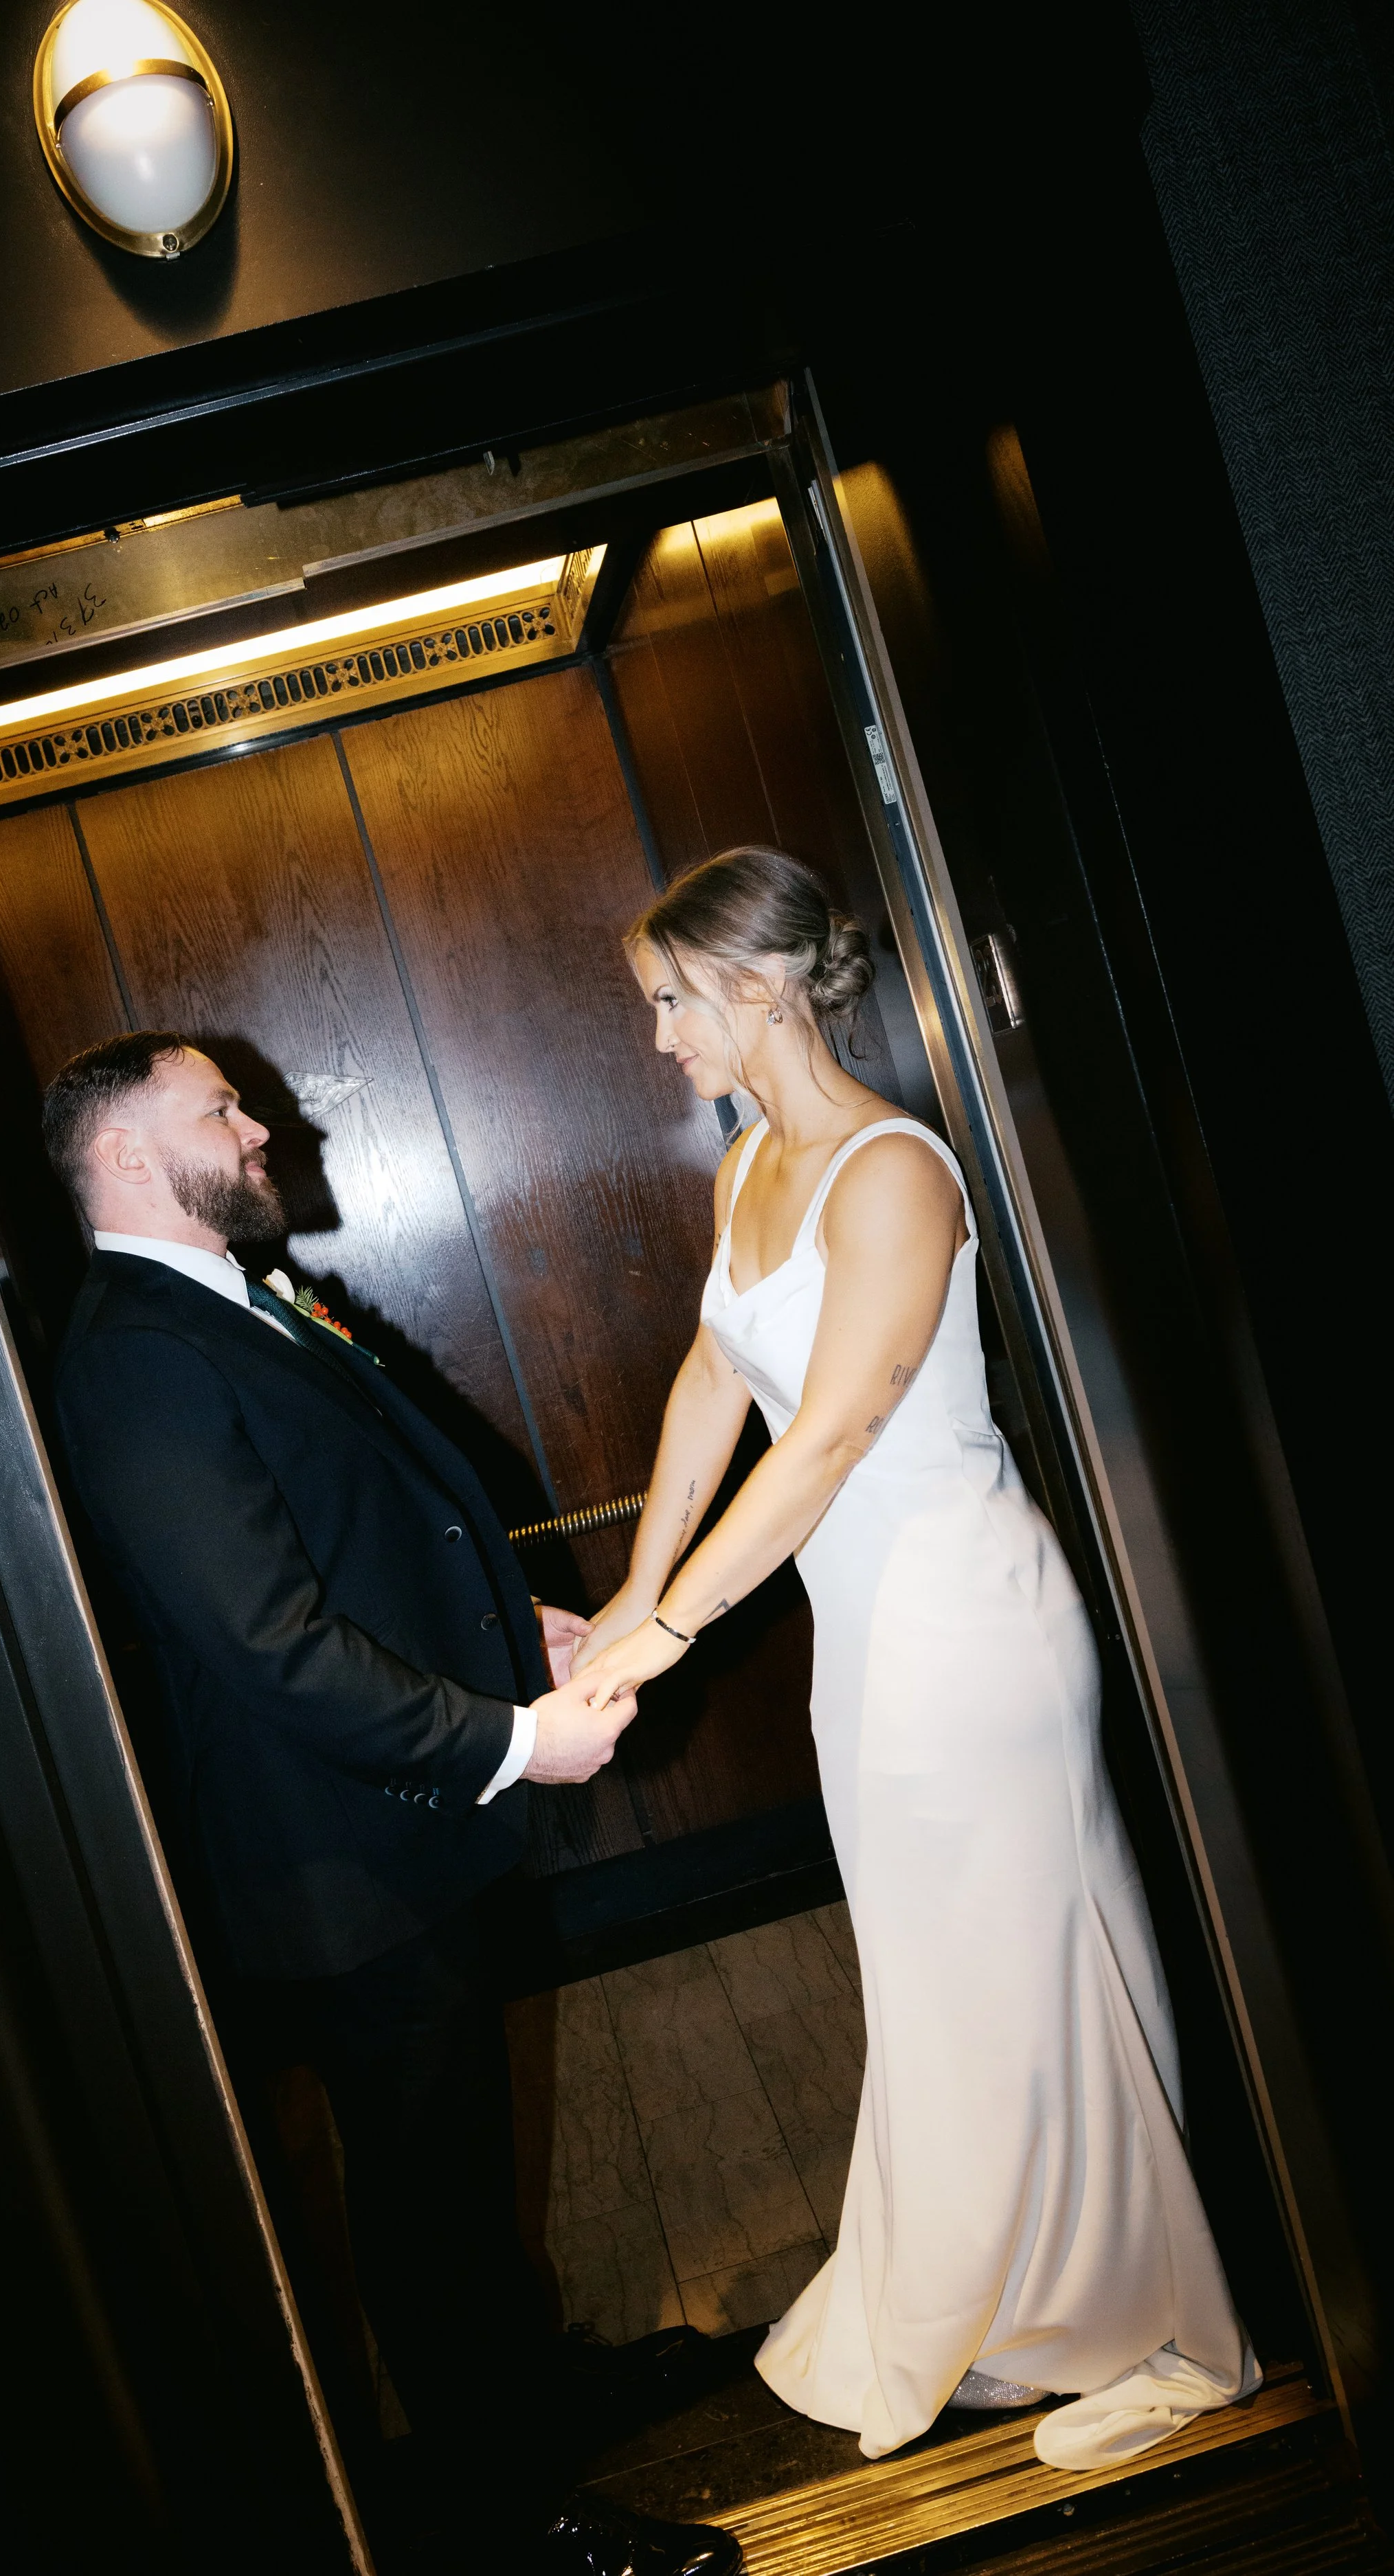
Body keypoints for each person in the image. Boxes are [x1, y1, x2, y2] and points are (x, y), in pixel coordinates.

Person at [573, 848, 1259, 2471]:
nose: (659, 1035)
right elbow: (710, 1388)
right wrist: (629, 1588)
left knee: (1024, 1961)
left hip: (966, 1622)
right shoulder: (746, 1166)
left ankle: (1158, 2319)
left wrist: (664, 1643)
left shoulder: (895, 1171)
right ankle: (1017, 2298)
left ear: (756, 986)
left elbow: (829, 1437)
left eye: (670, 1002)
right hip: (863, 1629)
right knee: (940, 1971)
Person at [41, 1030, 742, 2575]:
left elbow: (372, 1529)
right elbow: (270, 1644)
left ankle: (524, 2393)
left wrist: (521, 1628)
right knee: (425, 2204)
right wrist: (506, 1739)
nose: (260, 1123)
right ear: (135, 1160)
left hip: (397, 1828)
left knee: (459, 2171)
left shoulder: (222, 1306)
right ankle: (511, 2519)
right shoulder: (135, 1350)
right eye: (219, 1109)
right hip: (337, 1858)